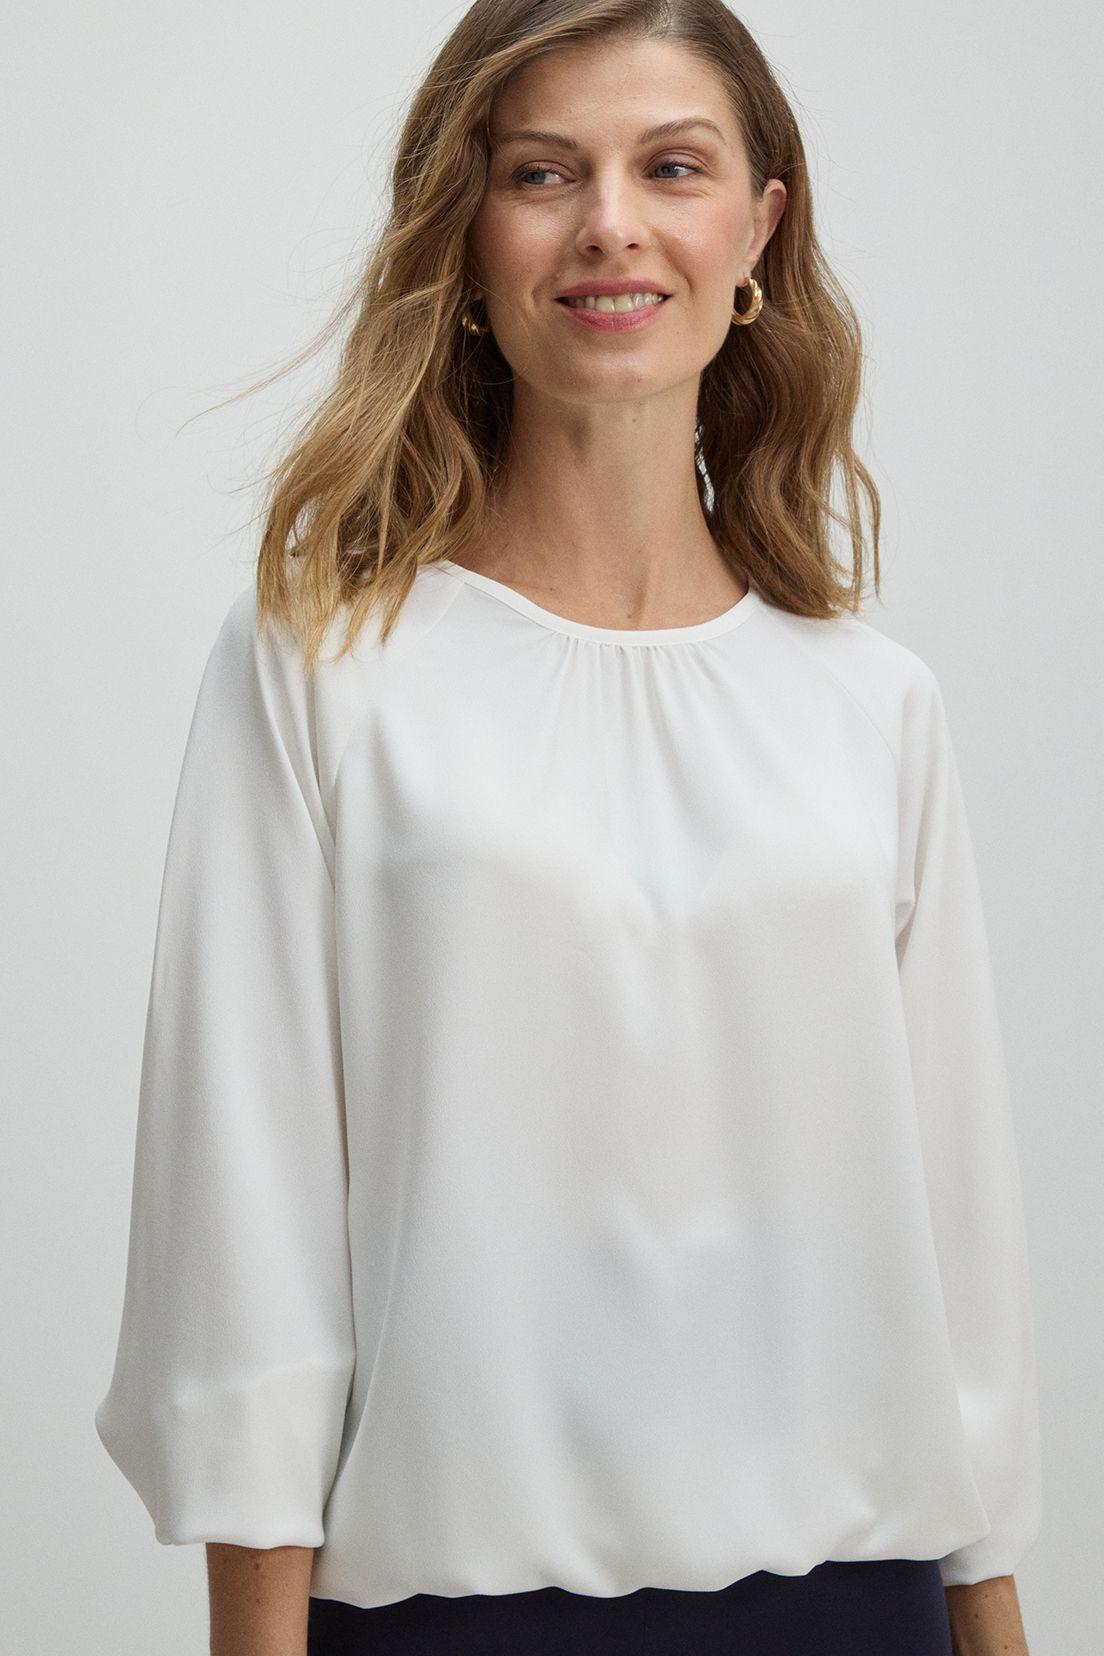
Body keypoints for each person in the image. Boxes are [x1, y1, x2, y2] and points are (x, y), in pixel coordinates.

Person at [93, 2, 1042, 1653]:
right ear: (465, 236)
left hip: (855, 1607)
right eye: (543, 172)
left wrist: (996, 1612)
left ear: (758, 230)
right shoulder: (322, 668)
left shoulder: (871, 706)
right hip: (453, 1616)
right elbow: (244, 1239)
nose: (611, 222)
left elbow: (953, 1250)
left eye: (671, 167)